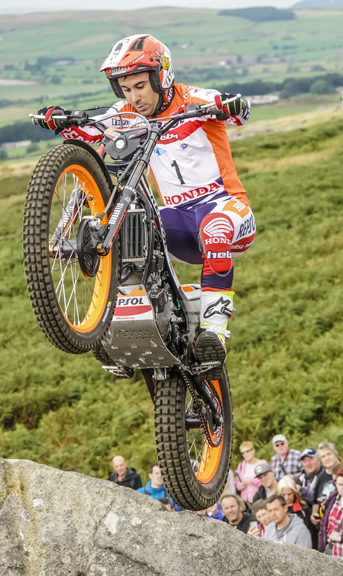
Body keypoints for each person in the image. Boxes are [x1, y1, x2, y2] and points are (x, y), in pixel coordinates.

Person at [40, 35, 254, 361]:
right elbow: (95, 132)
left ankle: (215, 332)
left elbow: (239, 114)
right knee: (131, 231)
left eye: (140, 86)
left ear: (161, 77)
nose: (134, 98)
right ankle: (124, 330)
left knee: (215, 229)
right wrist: (61, 122)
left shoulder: (194, 98)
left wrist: (232, 104)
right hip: (177, 220)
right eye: (126, 90)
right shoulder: (127, 113)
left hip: (226, 206)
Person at [295, 448, 333, 542]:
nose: (308, 463)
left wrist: (300, 490)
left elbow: (317, 497)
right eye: (305, 461)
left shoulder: (325, 476)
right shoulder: (298, 479)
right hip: (303, 524)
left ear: (319, 460)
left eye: (311, 459)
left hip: (322, 524)